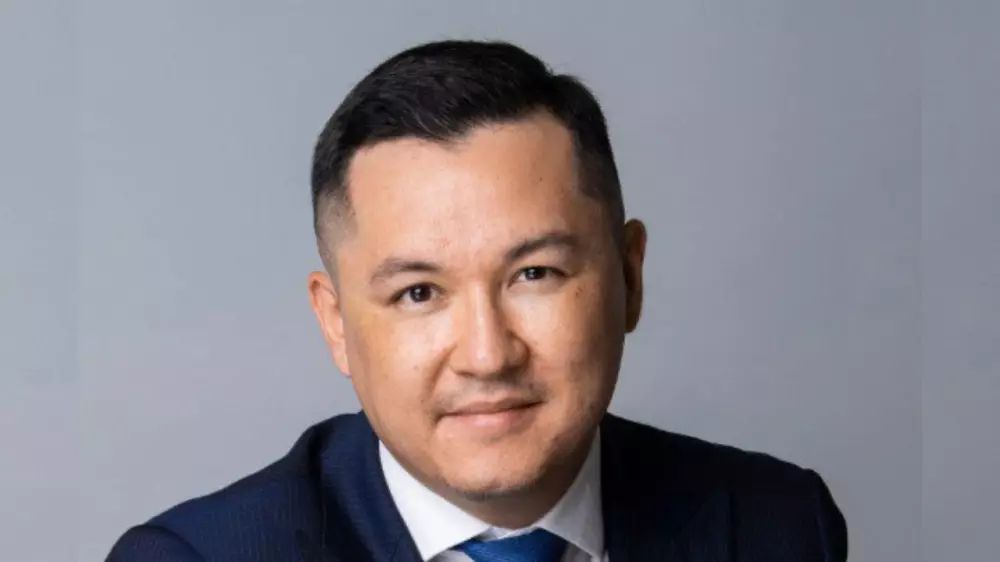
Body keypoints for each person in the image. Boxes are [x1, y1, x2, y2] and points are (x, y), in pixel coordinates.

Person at [107, 39, 848, 562]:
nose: (488, 356)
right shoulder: (198, 558)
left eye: (535, 274)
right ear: (335, 324)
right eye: (419, 293)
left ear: (630, 276)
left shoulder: (780, 527)